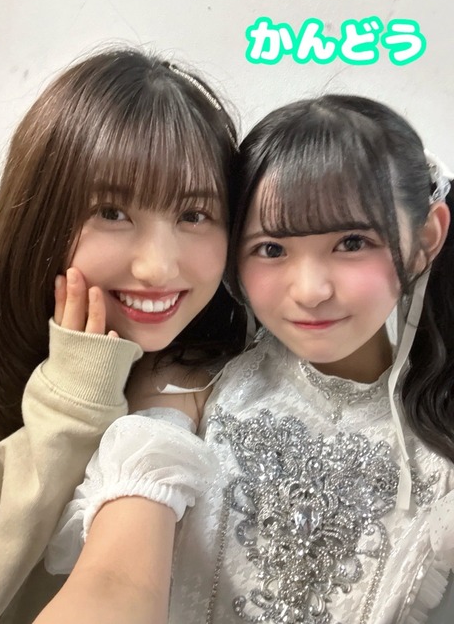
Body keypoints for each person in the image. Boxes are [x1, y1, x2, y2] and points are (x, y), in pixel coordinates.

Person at [40, 95, 454, 624]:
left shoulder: (439, 432)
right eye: (272, 249)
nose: (310, 290)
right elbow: (115, 580)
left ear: (425, 239)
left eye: (352, 242)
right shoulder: (190, 386)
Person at [0, 47, 246, 624]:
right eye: (112, 212)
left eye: (194, 214)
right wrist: (72, 402)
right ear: (41, 213)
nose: (157, 267)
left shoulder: (234, 367)